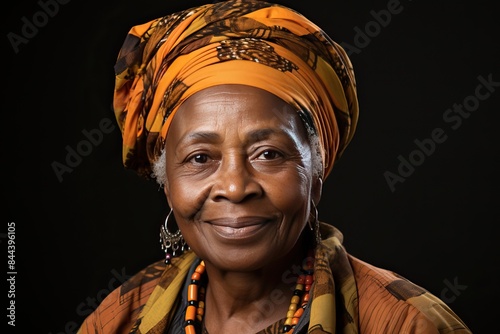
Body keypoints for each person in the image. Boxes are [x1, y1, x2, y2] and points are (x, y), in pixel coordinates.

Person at [77, 0, 472, 333]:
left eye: (268, 154)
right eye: (200, 158)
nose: (234, 187)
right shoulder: (118, 319)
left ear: (315, 175)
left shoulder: (406, 323)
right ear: (167, 183)